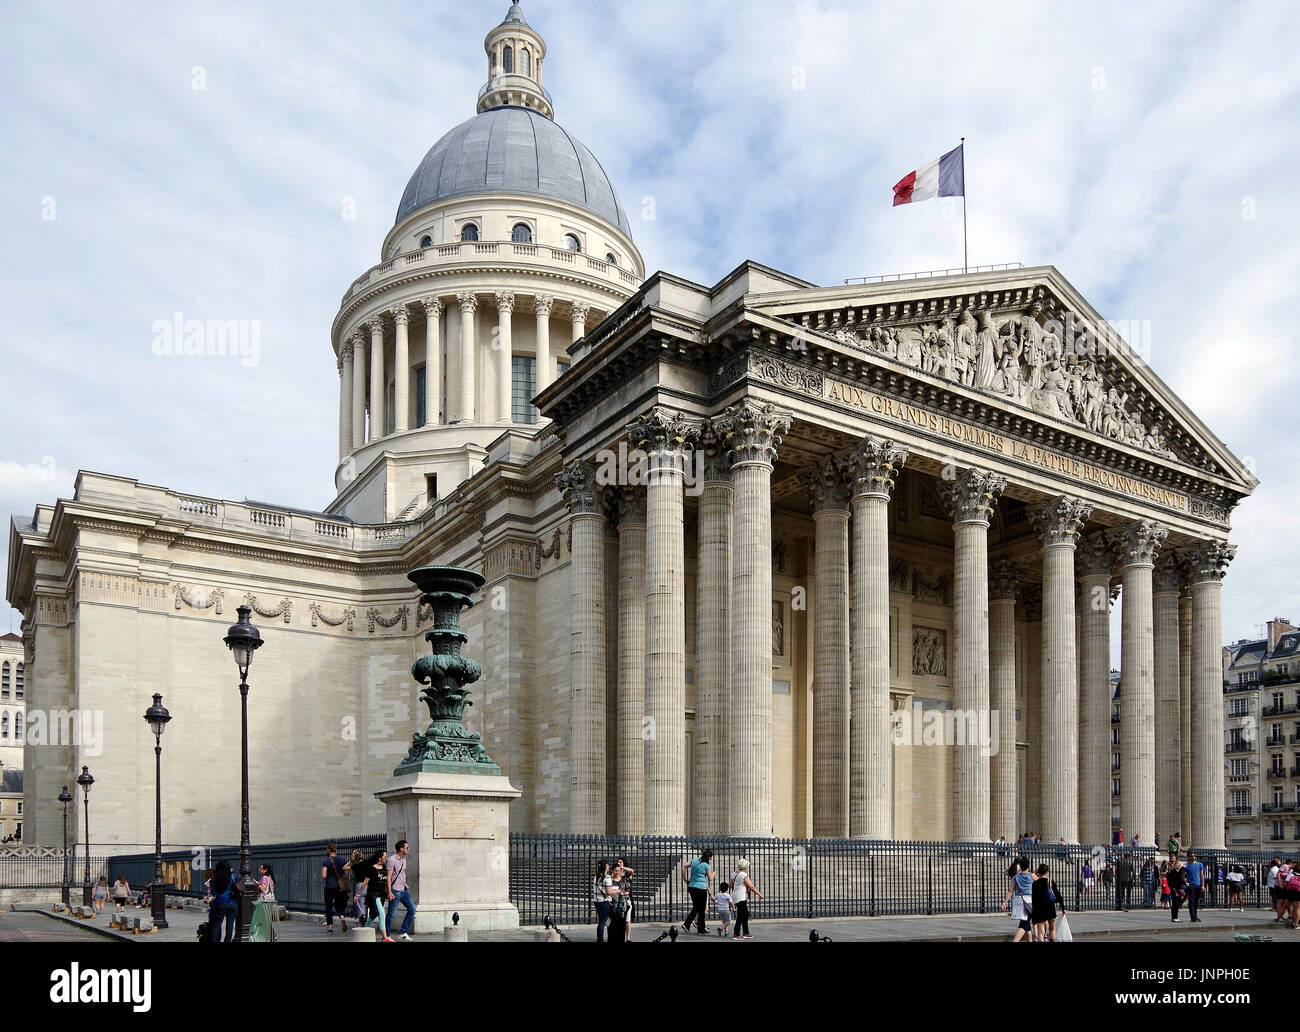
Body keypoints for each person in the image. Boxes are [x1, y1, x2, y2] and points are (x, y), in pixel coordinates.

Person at [357, 849, 395, 942]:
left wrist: (390, 893)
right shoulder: (372, 868)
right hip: (373, 895)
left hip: (381, 895)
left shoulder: (384, 868)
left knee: (374, 914)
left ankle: (364, 928)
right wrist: (358, 894)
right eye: (384, 856)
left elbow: (385, 883)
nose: (386, 858)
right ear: (379, 858)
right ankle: (385, 938)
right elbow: (365, 882)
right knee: (382, 914)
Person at [386, 840, 416, 941]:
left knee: (412, 909)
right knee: (391, 913)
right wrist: (389, 892)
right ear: (401, 849)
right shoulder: (391, 860)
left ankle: (403, 932)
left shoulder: (404, 859)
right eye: (406, 847)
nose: (408, 849)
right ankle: (386, 936)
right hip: (395, 890)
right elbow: (389, 877)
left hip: (404, 889)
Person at [681, 848, 715, 935]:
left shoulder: (694, 861)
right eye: (710, 858)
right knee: (700, 908)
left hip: (692, 887)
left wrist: (685, 879)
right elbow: (710, 878)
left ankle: (693, 926)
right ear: (708, 857)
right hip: (701, 888)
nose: (711, 859)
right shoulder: (706, 865)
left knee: (697, 907)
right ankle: (696, 927)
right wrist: (714, 873)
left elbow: (684, 866)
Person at [1001, 857, 1035, 942]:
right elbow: (1041, 884)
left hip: (1019, 901)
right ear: (1028, 866)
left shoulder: (1015, 877)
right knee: (1024, 923)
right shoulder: (1032, 876)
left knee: (1026, 923)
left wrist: (1005, 902)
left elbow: (1011, 891)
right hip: (1030, 901)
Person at [730, 858, 764, 940]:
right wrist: (759, 894)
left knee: (744, 915)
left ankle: (746, 932)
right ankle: (736, 934)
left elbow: (730, 885)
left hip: (735, 896)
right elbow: (751, 886)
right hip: (741, 897)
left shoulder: (734, 874)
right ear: (745, 867)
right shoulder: (744, 875)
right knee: (741, 916)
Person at [207, 860, 239, 942]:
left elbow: (213, 892)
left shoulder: (215, 878)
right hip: (233, 902)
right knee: (230, 925)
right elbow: (237, 886)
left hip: (220, 902)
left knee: (217, 924)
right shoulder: (233, 876)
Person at [322, 842, 349, 933]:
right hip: (339, 887)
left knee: (329, 906)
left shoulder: (326, 861)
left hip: (329, 886)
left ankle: (330, 927)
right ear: (335, 850)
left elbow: (324, 875)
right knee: (339, 904)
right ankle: (342, 918)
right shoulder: (342, 860)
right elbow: (346, 873)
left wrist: (327, 875)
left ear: (328, 850)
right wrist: (344, 880)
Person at [1030, 863, 1059, 942]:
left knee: (1041, 931)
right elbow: (1058, 895)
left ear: (1038, 872)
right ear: (1047, 872)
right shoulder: (1050, 882)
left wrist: (1034, 911)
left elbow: (1034, 898)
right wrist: (1063, 908)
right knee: (1052, 928)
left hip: (1039, 908)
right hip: (1050, 907)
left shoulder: (1034, 884)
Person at [612, 857, 635, 942]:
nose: (619, 863)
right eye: (618, 862)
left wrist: (622, 867)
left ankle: (628, 937)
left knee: (627, 920)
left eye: (620, 862)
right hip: (617, 900)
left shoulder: (627, 875)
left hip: (626, 899)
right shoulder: (616, 874)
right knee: (618, 919)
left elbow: (632, 871)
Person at [592, 859, 615, 943]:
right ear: (606, 866)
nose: (609, 866)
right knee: (603, 922)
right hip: (605, 902)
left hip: (597, 901)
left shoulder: (596, 876)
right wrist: (618, 891)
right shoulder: (607, 877)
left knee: (601, 920)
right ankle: (600, 939)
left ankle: (600, 938)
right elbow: (608, 892)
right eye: (608, 865)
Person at [1183, 850, 1204, 923]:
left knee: (1196, 902)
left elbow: (1202, 875)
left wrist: (1203, 885)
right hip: (1191, 885)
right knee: (1191, 901)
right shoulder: (1186, 865)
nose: (1193, 857)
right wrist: (1186, 882)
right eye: (1191, 856)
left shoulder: (1199, 864)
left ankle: (1195, 915)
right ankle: (1193, 917)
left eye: (1194, 856)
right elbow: (1182, 876)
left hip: (1198, 885)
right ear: (1188, 857)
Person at [1166, 857, 1186, 923]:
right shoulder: (1173, 872)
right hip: (1174, 889)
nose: (1180, 865)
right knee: (1175, 903)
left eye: (1180, 864)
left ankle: (1175, 916)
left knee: (1177, 903)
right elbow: (1170, 880)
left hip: (1179, 888)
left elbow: (1181, 879)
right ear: (1175, 865)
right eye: (1179, 864)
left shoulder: (1180, 872)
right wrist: (1172, 887)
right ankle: (1174, 917)